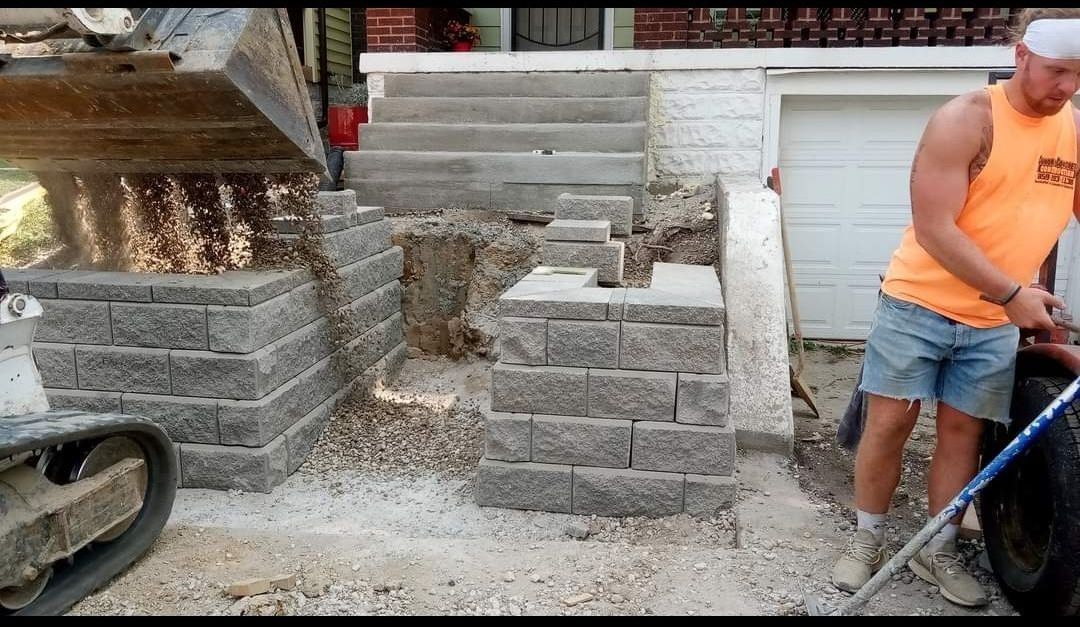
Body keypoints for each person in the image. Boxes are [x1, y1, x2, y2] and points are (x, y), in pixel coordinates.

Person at [831, 9, 1080, 608]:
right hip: (918, 304)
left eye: (1078, 76)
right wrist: (1012, 294)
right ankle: (867, 538)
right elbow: (935, 228)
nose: (1067, 88)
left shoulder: (1072, 129)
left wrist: (1008, 302)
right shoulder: (965, 120)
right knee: (890, 423)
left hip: (993, 321)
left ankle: (935, 547)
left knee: (963, 434)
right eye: (1056, 72)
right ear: (1021, 55)